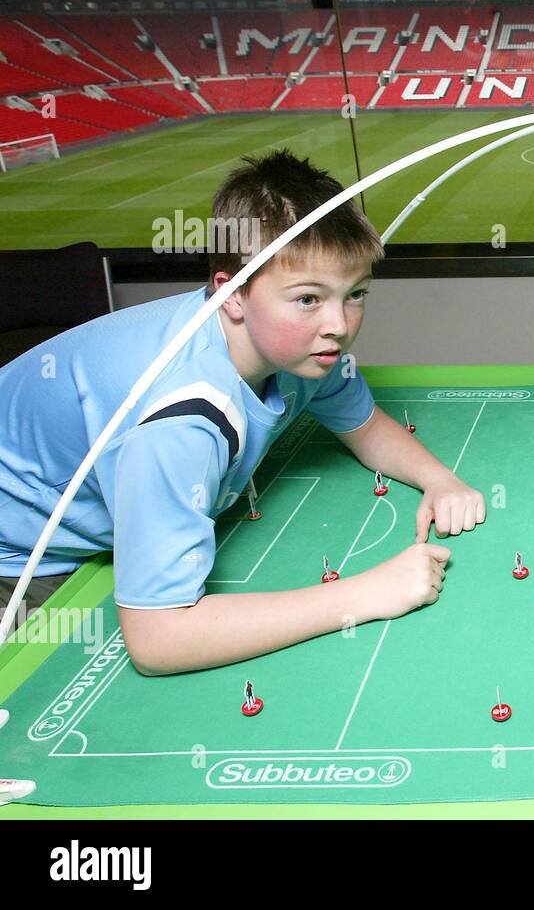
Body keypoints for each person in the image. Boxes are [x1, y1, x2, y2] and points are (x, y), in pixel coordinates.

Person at [0, 150, 486, 673]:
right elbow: (158, 638)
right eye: (307, 299)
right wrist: (367, 593)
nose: (339, 325)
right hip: (22, 560)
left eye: (355, 294)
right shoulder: (180, 420)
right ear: (231, 294)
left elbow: (365, 426)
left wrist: (438, 480)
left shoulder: (300, 350)